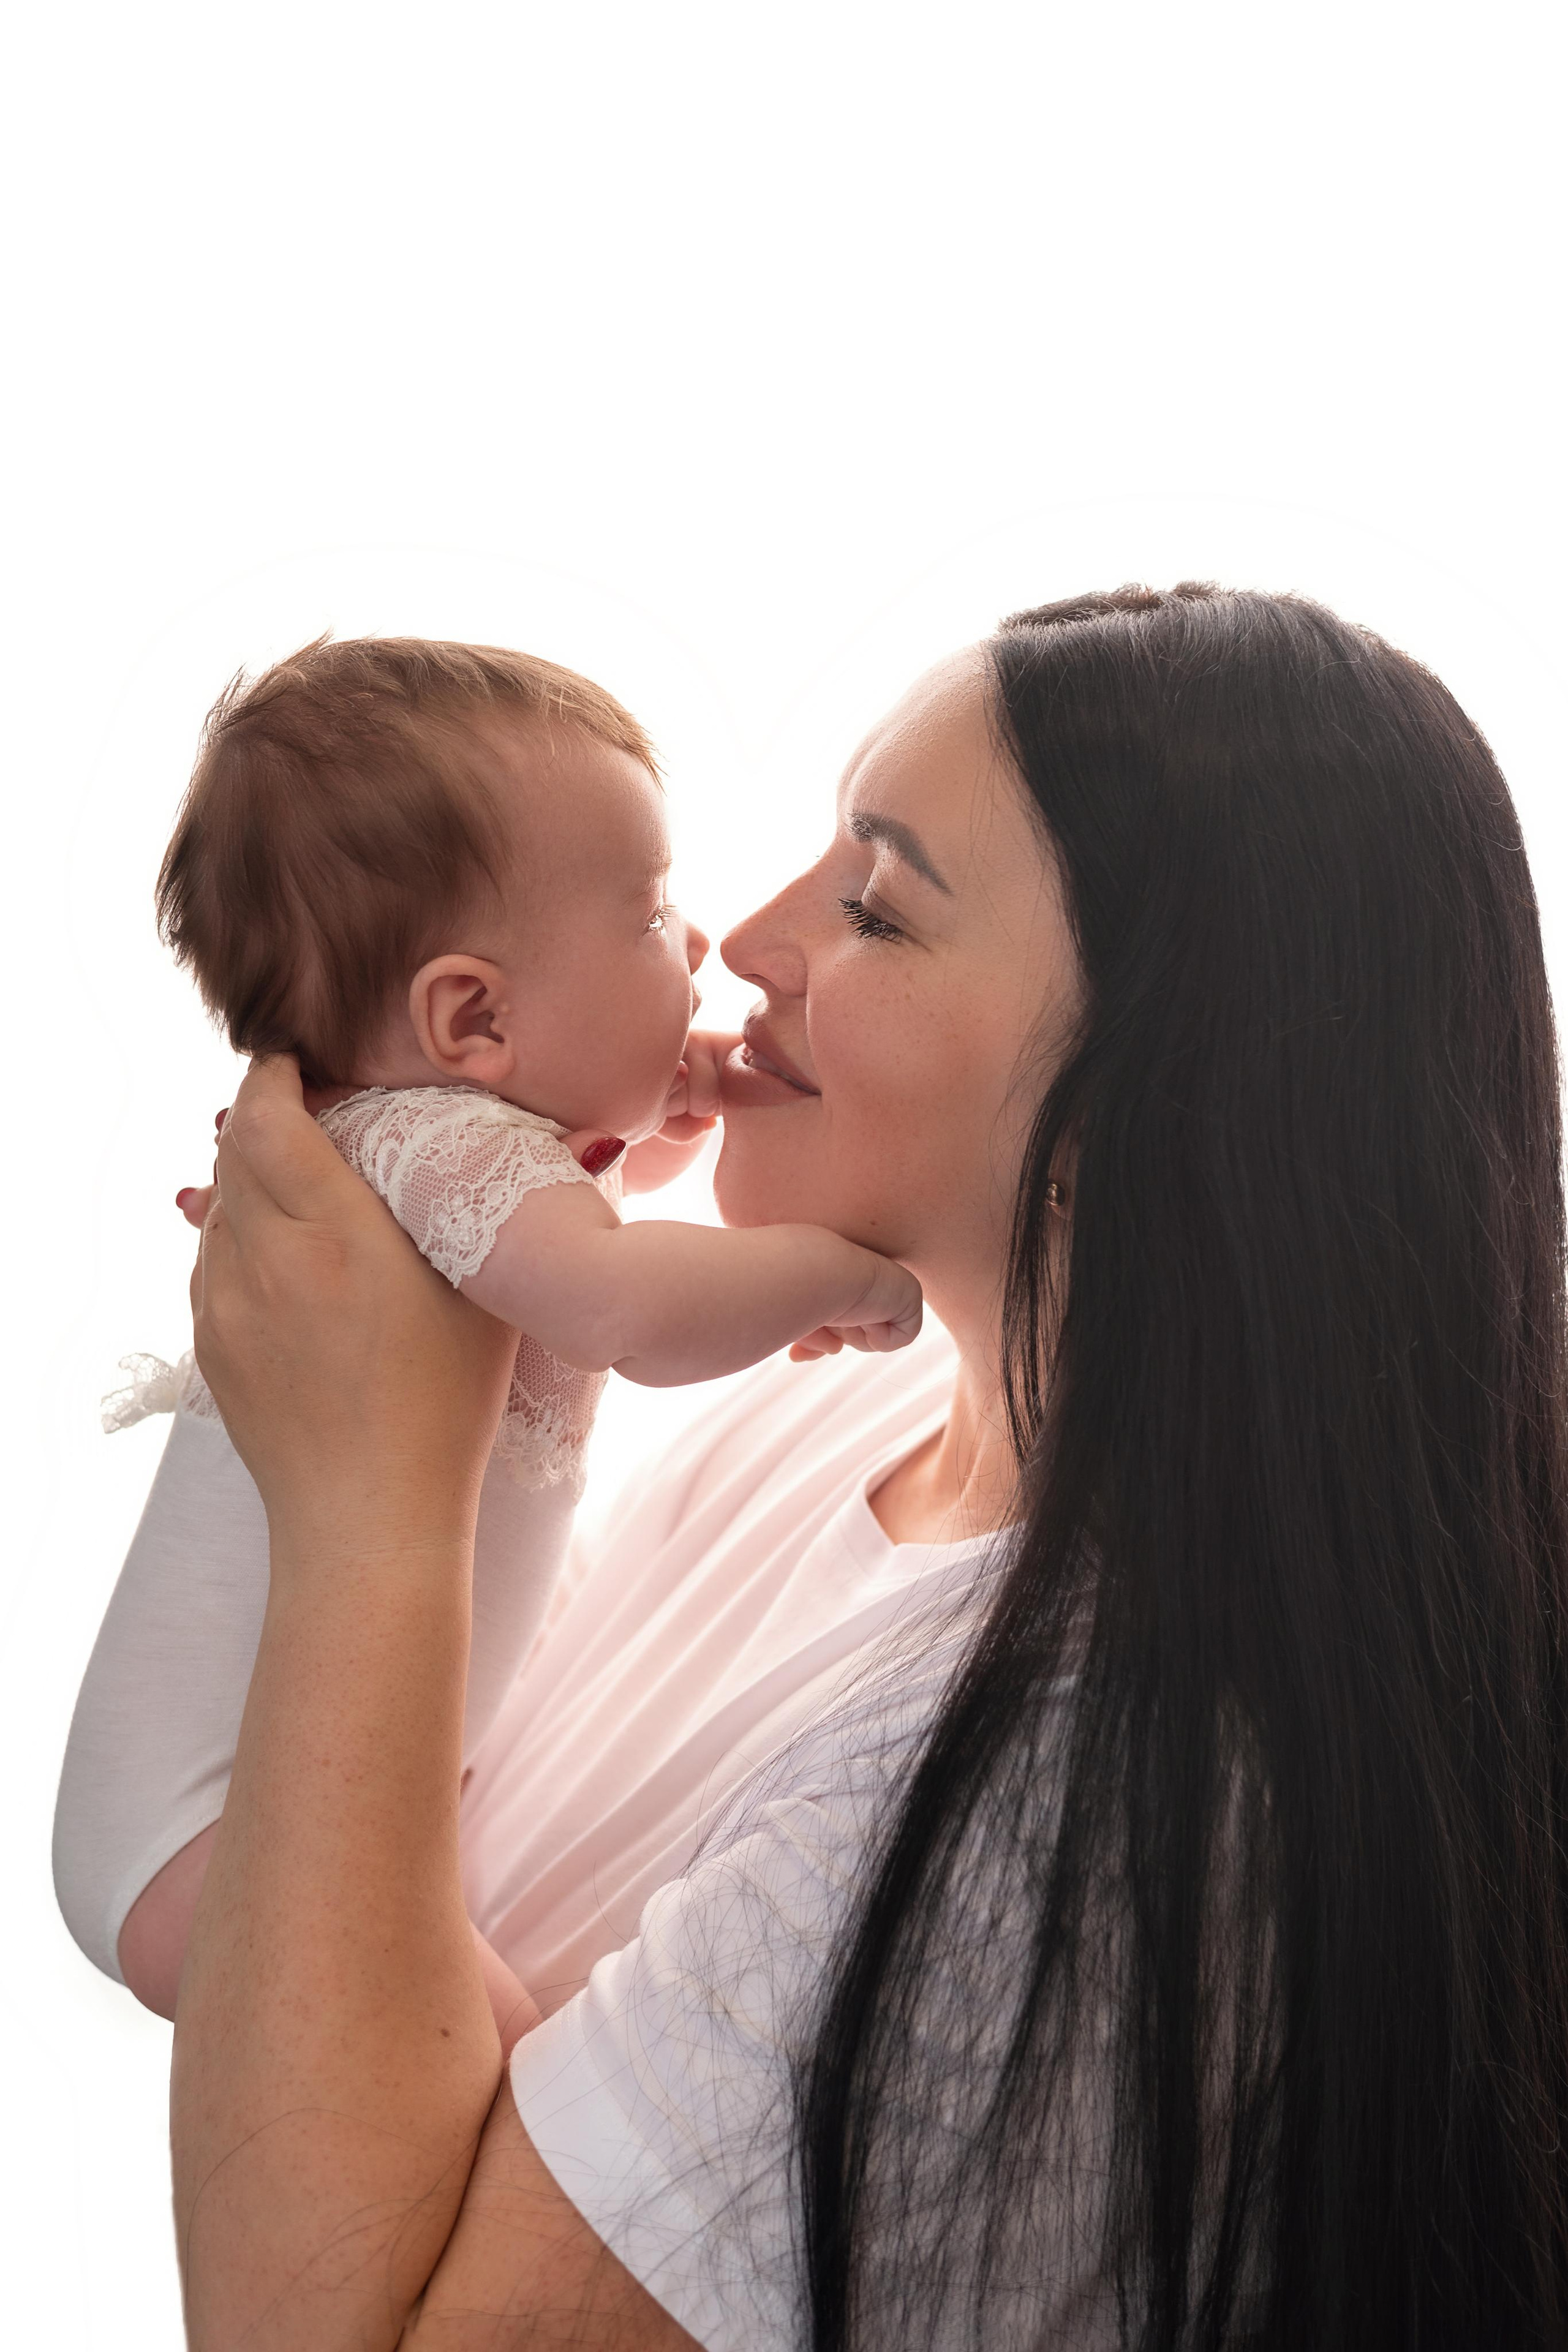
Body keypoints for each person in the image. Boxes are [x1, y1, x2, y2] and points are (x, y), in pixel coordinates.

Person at [55, 584, 1568, 2348]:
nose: (747, 942)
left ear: (1172, 1089)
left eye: (876, 907)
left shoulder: (1084, 1778)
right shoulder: (820, 1428)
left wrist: (367, 1514)